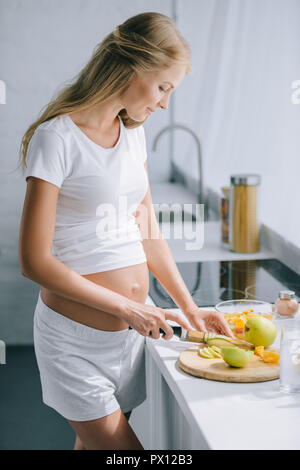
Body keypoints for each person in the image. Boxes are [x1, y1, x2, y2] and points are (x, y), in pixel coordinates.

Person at [18, 12, 234, 450]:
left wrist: (189, 309)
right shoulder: (57, 138)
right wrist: (129, 307)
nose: (164, 104)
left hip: (132, 338)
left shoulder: (132, 134)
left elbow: (147, 228)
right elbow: (34, 260)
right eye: (163, 88)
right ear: (134, 67)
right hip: (73, 342)